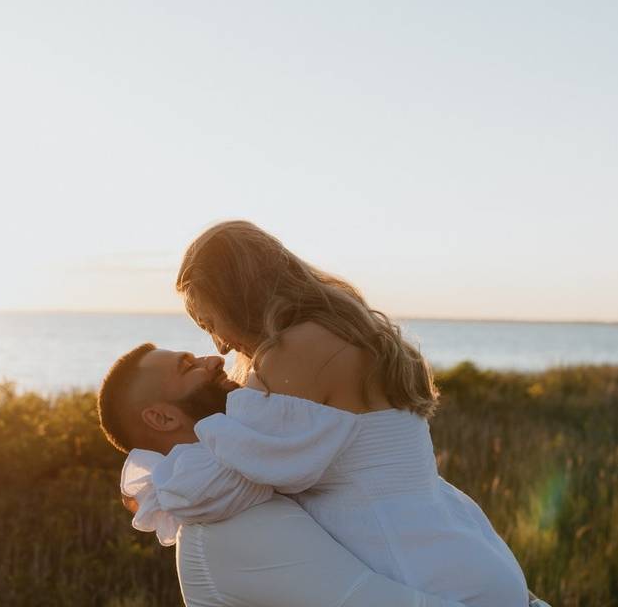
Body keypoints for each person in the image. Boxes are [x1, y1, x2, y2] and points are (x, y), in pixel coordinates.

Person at [123, 221, 534, 606]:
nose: (220, 346)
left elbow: (223, 487)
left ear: (236, 297)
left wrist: (158, 486)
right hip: (467, 556)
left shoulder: (294, 352)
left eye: (211, 322)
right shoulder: (346, 333)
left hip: (423, 576)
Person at [98, 344, 466, 607]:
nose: (215, 359)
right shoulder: (225, 529)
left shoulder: (248, 480)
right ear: (162, 418)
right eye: (188, 366)